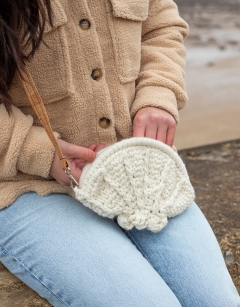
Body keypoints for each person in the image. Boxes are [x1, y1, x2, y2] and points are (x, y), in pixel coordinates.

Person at [0, 0, 239, 306]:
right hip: (25, 185)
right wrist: (38, 152)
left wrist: (158, 93)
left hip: (136, 168)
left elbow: (161, 24)